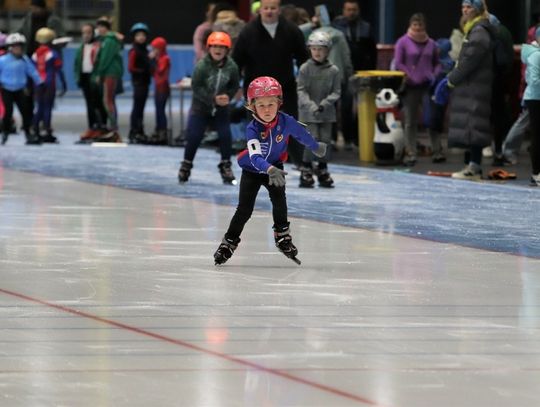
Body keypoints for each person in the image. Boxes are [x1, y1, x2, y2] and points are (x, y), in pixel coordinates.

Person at [213, 76, 327, 265]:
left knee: (280, 202)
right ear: (252, 106)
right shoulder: (252, 129)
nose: (267, 110)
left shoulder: (286, 121)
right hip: (253, 170)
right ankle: (228, 243)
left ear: (279, 103)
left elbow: (301, 134)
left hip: (275, 167)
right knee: (244, 210)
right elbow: (255, 157)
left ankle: (282, 236)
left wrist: (314, 146)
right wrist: (270, 169)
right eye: (262, 105)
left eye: (271, 104)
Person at [232, 0, 309, 166]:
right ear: (260, 10)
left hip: (285, 89)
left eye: (273, 8)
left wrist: (306, 82)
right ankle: (257, 166)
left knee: (291, 127)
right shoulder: (247, 32)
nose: (269, 12)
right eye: (266, 8)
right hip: (255, 93)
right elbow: (236, 62)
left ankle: (303, 167)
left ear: (279, 10)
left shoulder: (291, 30)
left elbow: (304, 58)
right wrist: (233, 87)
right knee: (257, 131)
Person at [436, 0, 494, 180]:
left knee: (473, 125)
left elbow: (469, 61)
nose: (465, 10)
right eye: (463, 6)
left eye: (469, 6)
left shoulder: (479, 32)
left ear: (477, 10)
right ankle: (471, 165)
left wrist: (451, 80)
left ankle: (473, 167)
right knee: (471, 125)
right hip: (471, 86)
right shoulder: (472, 29)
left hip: (475, 87)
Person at [178, 31, 239, 184]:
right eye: (215, 46)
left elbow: (234, 85)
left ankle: (226, 165)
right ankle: (186, 164)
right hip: (201, 107)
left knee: (225, 136)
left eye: (222, 47)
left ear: (227, 50)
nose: (218, 50)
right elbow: (196, 87)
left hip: (221, 108)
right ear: (209, 48)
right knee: (194, 136)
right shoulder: (202, 66)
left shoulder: (232, 67)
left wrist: (228, 97)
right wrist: (212, 99)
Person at [394, 13, 440, 166]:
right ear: (410, 25)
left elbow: (437, 63)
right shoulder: (402, 42)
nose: (418, 28)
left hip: (428, 86)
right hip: (411, 86)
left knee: (431, 119)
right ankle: (411, 152)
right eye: (415, 25)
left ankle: (437, 150)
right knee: (410, 121)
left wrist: (434, 74)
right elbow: (398, 63)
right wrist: (409, 75)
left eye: (420, 25)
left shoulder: (432, 43)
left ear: (424, 26)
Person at [297, 31, 341, 188]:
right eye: (314, 49)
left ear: (328, 50)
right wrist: (311, 105)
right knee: (312, 139)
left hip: (326, 113)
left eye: (321, 49)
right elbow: (301, 90)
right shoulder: (305, 68)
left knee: (325, 141)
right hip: (308, 113)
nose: (317, 52)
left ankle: (322, 168)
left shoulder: (333, 70)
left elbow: (336, 92)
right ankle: (306, 168)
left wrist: (325, 104)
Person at [332, 0, 377, 149]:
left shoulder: (366, 27)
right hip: (341, 71)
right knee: (340, 105)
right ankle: (338, 138)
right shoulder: (336, 26)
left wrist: (372, 71)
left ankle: (355, 139)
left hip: (361, 72)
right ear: (344, 10)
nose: (351, 12)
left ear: (358, 11)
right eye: (348, 9)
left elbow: (373, 51)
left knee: (360, 107)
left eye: (354, 10)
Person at [0, 33, 43, 145]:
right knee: (8, 112)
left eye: (20, 46)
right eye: (15, 47)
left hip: (20, 90)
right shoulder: (3, 60)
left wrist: (40, 82)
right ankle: (5, 133)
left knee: (26, 112)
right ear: (10, 48)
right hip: (7, 89)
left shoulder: (24, 60)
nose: (18, 49)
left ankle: (28, 134)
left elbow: (32, 71)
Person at [31, 27, 66, 143]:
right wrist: (64, 85)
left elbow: (31, 71)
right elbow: (59, 70)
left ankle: (35, 130)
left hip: (38, 84)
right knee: (47, 107)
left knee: (39, 107)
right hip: (50, 83)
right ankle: (47, 130)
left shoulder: (34, 55)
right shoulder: (53, 54)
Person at [92, 17, 124, 142]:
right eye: (98, 27)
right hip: (109, 71)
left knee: (107, 101)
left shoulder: (109, 41)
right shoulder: (106, 40)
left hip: (110, 72)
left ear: (106, 28)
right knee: (109, 100)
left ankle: (114, 129)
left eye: (101, 27)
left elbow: (105, 58)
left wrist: (99, 73)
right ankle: (113, 128)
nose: (99, 29)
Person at [74, 23, 108, 143]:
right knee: (89, 104)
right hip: (84, 78)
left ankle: (102, 126)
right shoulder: (81, 48)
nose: (86, 35)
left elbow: (101, 62)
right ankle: (92, 126)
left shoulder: (99, 46)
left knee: (97, 103)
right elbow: (77, 63)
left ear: (93, 33)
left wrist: (99, 75)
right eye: (83, 33)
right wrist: (78, 77)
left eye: (88, 32)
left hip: (95, 78)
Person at [429, 38, 454, 163]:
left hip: (440, 97)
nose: (437, 50)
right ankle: (436, 148)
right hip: (431, 93)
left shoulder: (448, 63)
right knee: (433, 121)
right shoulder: (433, 61)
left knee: (435, 121)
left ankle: (437, 149)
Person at [521, 27, 540, 186]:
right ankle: (536, 173)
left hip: (536, 97)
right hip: (535, 99)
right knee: (537, 136)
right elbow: (534, 81)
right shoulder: (536, 56)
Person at [127, 22, 151, 144]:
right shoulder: (134, 51)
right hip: (138, 83)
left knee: (141, 108)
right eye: (138, 35)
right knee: (137, 107)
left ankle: (139, 130)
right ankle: (134, 131)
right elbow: (131, 68)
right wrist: (143, 71)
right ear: (134, 37)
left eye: (143, 35)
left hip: (145, 82)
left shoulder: (145, 50)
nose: (141, 37)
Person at [148, 36, 171, 145]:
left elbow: (160, 70)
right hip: (157, 87)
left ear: (160, 48)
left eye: (155, 48)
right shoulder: (159, 58)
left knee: (161, 111)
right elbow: (154, 73)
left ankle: (163, 132)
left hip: (163, 88)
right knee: (157, 110)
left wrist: (152, 60)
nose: (154, 51)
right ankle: (158, 130)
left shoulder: (165, 58)